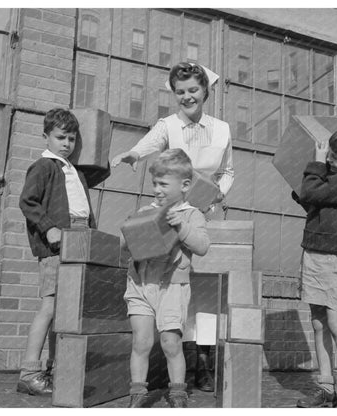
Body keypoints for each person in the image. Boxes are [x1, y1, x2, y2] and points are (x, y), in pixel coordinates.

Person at [112, 61, 234, 391]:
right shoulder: (169, 125)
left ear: (205, 91)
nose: (187, 96)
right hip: (170, 214)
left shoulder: (222, 128)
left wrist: (214, 197)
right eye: (180, 92)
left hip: (206, 213)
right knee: (171, 282)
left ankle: (203, 362)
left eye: (193, 90)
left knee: (205, 291)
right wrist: (133, 154)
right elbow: (149, 143)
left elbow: (228, 171)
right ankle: (168, 361)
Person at [17, 108, 108, 395]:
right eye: (60, 137)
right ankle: (28, 372)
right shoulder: (43, 166)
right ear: (46, 137)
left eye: (71, 138)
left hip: (81, 237)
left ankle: (53, 370)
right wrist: (48, 228)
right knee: (50, 306)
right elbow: (27, 202)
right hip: (57, 243)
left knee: (68, 310)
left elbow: (96, 176)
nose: (66, 143)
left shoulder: (73, 169)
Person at [122, 149, 210, 407]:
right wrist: (130, 232)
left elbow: (202, 246)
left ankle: (178, 393)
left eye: (163, 184)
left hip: (172, 286)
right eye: (154, 183)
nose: (156, 190)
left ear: (184, 186)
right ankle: (137, 394)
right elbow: (125, 245)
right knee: (141, 341)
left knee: (171, 342)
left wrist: (180, 226)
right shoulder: (145, 210)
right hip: (139, 283)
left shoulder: (192, 214)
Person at [292, 124, 337, 408]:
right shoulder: (333, 179)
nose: (329, 158)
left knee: (336, 322)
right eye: (328, 153)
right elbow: (314, 201)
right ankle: (326, 388)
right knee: (319, 322)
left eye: (335, 156)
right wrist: (307, 192)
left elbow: (312, 193)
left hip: (334, 260)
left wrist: (315, 165)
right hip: (313, 253)